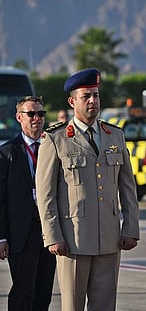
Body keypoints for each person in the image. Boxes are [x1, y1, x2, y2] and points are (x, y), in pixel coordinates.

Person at [35, 68, 140, 311]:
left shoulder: (114, 135)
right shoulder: (56, 139)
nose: (93, 101)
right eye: (86, 96)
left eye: (96, 95)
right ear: (72, 102)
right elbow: (46, 194)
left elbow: (127, 188)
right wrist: (53, 236)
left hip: (109, 238)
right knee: (72, 305)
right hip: (73, 239)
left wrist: (131, 228)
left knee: (105, 305)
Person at [0, 96, 56, 310]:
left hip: (49, 231)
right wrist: (1, 237)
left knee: (44, 293)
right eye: (31, 114)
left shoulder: (53, 148)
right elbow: (1, 200)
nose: (37, 118)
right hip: (22, 234)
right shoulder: (6, 153)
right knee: (24, 291)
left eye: (40, 114)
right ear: (19, 117)